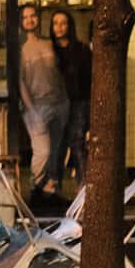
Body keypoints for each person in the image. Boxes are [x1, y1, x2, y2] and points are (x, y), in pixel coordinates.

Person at [16, 3, 67, 204]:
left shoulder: (49, 43)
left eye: (33, 16)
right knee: (42, 151)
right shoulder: (20, 49)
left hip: (58, 104)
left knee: (55, 152)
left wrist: (65, 102)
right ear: (21, 22)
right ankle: (35, 188)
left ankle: (50, 191)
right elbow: (20, 81)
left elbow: (60, 72)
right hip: (36, 106)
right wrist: (30, 108)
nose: (30, 20)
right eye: (25, 17)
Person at [49, 9, 90, 183]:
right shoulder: (49, 50)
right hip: (55, 104)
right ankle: (54, 186)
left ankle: (83, 186)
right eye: (55, 23)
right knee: (57, 146)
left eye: (63, 23)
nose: (59, 27)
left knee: (77, 143)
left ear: (69, 26)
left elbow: (88, 80)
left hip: (77, 103)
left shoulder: (81, 50)